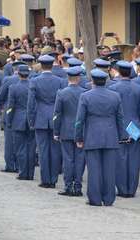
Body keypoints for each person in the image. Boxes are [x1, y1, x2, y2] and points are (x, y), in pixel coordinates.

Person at [75, 68, 126, 206]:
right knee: (109, 169)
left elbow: (80, 120)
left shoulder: (85, 96)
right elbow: (120, 118)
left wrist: (78, 138)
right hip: (111, 136)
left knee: (94, 169)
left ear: (93, 81)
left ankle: (95, 198)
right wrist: (122, 136)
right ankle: (109, 198)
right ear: (105, 81)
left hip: (92, 136)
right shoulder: (115, 96)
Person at [109, 60, 140, 198]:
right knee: (134, 159)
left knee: (120, 159)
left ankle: (122, 188)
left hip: (119, 127)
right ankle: (131, 189)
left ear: (119, 71)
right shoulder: (139, 89)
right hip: (135, 127)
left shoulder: (113, 88)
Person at [27, 54, 63, 188]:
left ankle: (45, 179)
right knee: (55, 150)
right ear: (52, 65)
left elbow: (31, 103)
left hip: (40, 117)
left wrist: (31, 120)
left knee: (42, 150)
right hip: (55, 117)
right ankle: (53, 179)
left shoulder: (35, 81)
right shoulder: (59, 81)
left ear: (41, 65)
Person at [53, 66, 86, 197]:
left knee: (68, 160)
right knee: (80, 159)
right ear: (78, 78)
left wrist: (56, 131)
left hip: (65, 130)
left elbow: (57, 114)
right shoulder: (85, 92)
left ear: (68, 78)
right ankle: (77, 186)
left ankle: (68, 186)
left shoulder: (61, 93)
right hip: (81, 130)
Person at [6, 65, 36, 180]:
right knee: (31, 148)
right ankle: (30, 173)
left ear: (18, 74)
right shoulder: (33, 86)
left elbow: (10, 107)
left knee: (20, 148)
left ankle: (23, 172)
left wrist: (9, 121)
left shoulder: (13, 88)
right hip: (31, 120)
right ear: (28, 74)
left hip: (18, 120)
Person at [0, 60, 26, 172]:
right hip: (23, 115)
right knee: (21, 142)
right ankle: (20, 165)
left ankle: (10, 165)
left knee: (9, 141)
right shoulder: (29, 81)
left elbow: (1, 96)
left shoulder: (7, 80)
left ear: (13, 69)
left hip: (9, 112)